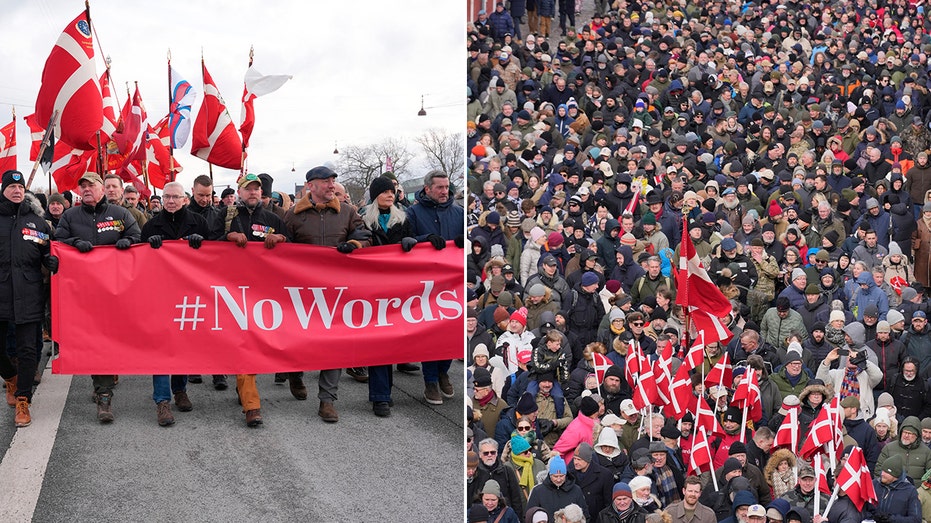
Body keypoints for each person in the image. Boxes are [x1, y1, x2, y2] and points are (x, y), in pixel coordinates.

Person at [284, 166, 371, 423]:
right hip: (302, 290)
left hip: (337, 290)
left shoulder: (347, 212)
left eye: (333, 180)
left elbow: (365, 235)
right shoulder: (293, 216)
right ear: (310, 186)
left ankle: (327, 400)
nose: (331, 185)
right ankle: (295, 372)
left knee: (335, 343)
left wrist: (354, 243)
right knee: (298, 339)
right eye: (325, 181)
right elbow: (282, 250)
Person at [55, 171, 141, 423]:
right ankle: (104, 394)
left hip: (116, 288)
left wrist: (128, 241)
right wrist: (73, 242)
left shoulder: (121, 214)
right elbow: (58, 243)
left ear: (103, 189)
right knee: (95, 338)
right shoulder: (70, 216)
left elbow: (138, 237)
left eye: (91, 185)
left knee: (113, 336)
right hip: (84, 290)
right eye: (83, 186)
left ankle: (105, 378)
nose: (86, 190)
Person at [139, 181, 209, 426]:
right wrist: (148, 244)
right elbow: (138, 259)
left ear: (184, 199)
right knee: (160, 345)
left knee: (182, 344)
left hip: (189, 293)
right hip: (159, 293)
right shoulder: (151, 225)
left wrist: (204, 243)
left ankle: (180, 389)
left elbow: (216, 255)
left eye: (175, 197)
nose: (170, 201)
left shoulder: (199, 223)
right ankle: (162, 400)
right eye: (166, 196)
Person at [224, 173, 290, 427]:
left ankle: (285, 377)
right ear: (239, 193)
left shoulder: (274, 219)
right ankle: (252, 405)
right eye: (247, 189)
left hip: (267, 293)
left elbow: (294, 250)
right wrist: (226, 238)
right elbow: (207, 243)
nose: (252, 193)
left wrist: (281, 239)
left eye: (256, 189)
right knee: (246, 343)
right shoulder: (228, 217)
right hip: (234, 291)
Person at [359, 175, 419, 417]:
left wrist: (415, 241)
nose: (390, 195)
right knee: (378, 342)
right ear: (376, 195)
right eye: (385, 191)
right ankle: (380, 396)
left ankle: (385, 390)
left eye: (392, 191)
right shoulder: (363, 220)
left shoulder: (403, 218)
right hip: (371, 289)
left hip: (397, 289)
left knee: (393, 340)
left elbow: (416, 244)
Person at [0, 170, 56, 428]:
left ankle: (23, 398)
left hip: (29, 293)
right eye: (11, 186)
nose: (17, 190)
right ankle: (10, 376)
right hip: (1, 292)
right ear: (3, 190)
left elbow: (48, 252)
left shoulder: (38, 222)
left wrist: (51, 260)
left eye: (20, 186)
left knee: (27, 350)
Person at [405, 170, 464, 405]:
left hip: (452, 282)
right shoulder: (413, 212)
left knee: (451, 329)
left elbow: (469, 246)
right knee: (431, 331)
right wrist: (425, 239)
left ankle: (443, 371)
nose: (444, 191)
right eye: (439, 187)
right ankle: (430, 379)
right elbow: (405, 242)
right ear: (428, 188)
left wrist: (464, 242)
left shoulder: (458, 213)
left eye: (446, 186)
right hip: (426, 283)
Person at [185, 175, 228, 391]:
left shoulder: (218, 213)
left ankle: (218, 369)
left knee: (216, 321)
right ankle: (193, 364)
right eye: (201, 195)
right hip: (188, 275)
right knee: (193, 321)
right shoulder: (184, 214)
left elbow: (221, 239)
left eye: (208, 195)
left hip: (214, 274)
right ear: (193, 191)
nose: (205, 199)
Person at [526, 455, 590, 521]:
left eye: (561, 476)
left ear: (566, 474)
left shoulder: (576, 490)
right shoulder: (538, 491)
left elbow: (584, 516)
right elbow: (529, 516)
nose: (559, 479)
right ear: (550, 475)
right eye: (555, 476)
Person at [865, 454, 922, 522]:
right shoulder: (874, 484)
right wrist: (872, 517)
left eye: (887, 472)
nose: (882, 474)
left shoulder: (910, 491)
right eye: (882, 470)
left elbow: (916, 519)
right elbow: (862, 509)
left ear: (896, 475)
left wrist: (892, 519)